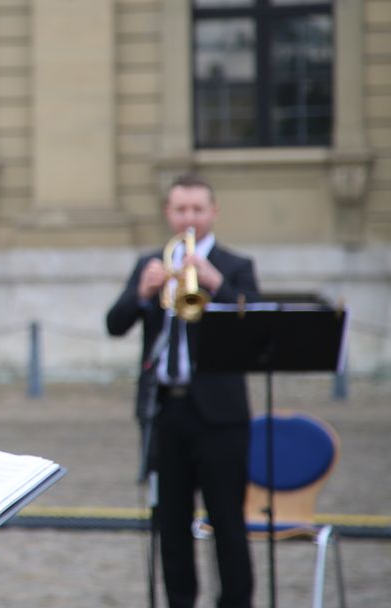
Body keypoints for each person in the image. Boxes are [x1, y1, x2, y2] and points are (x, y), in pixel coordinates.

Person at [105, 173, 258, 608]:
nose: (188, 217)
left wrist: (214, 284)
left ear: (213, 212)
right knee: (170, 525)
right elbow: (115, 325)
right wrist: (141, 293)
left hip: (221, 417)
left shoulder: (235, 265)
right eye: (180, 209)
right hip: (164, 412)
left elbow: (253, 331)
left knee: (228, 522)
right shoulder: (152, 262)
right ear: (168, 213)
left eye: (197, 209)